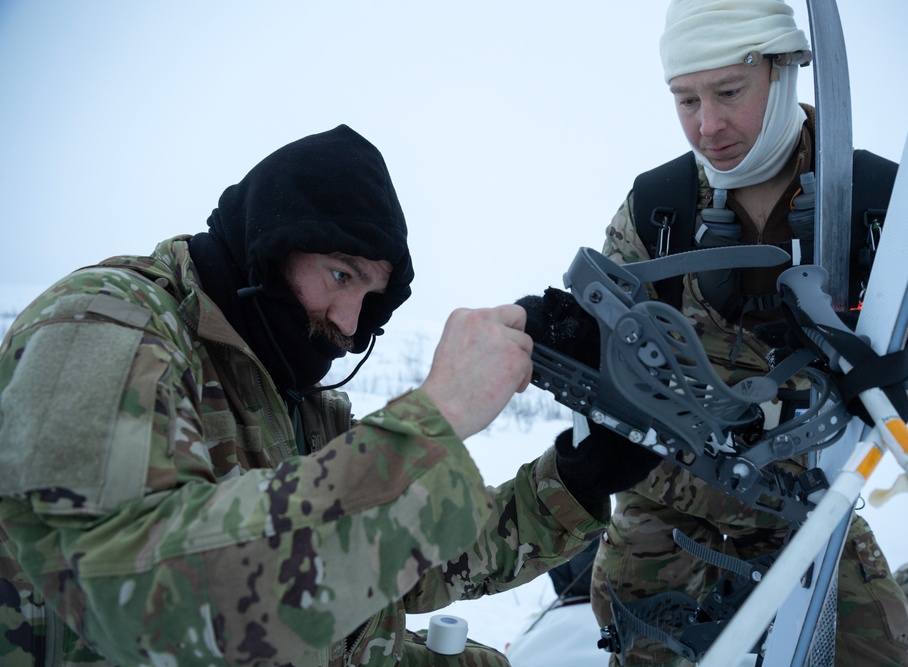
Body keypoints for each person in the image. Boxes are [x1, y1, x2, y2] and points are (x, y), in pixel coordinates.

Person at [0, 125, 661, 666]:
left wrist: (576, 478)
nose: (348, 321)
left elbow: (403, 552)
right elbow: (136, 602)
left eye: (370, 297)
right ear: (270, 242)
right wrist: (437, 415)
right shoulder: (104, 327)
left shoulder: (296, 399)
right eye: (340, 275)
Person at [579, 1, 908, 665]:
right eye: (684, 99)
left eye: (728, 92)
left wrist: (898, 338)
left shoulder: (878, 202)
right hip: (662, 522)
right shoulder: (655, 209)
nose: (706, 126)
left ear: (786, 69)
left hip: (808, 510)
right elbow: (603, 345)